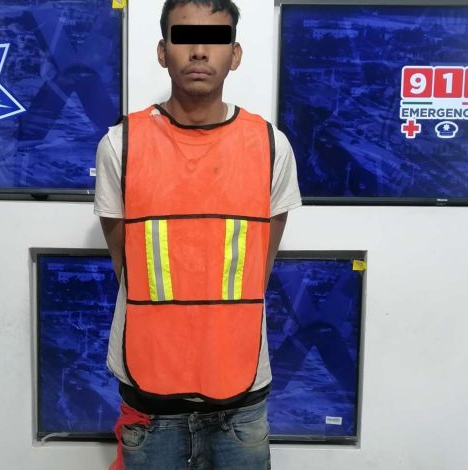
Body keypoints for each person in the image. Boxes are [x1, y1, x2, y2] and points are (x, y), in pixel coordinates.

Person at [94, 1, 301, 468]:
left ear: (236, 54)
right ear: (162, 51)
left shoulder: (272, 146)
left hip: (242, 397)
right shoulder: (119, 145)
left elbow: (260, 265)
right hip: (149, 398)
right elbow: (126, 266)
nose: (200, 51)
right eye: (184, 37)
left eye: (216, 39)